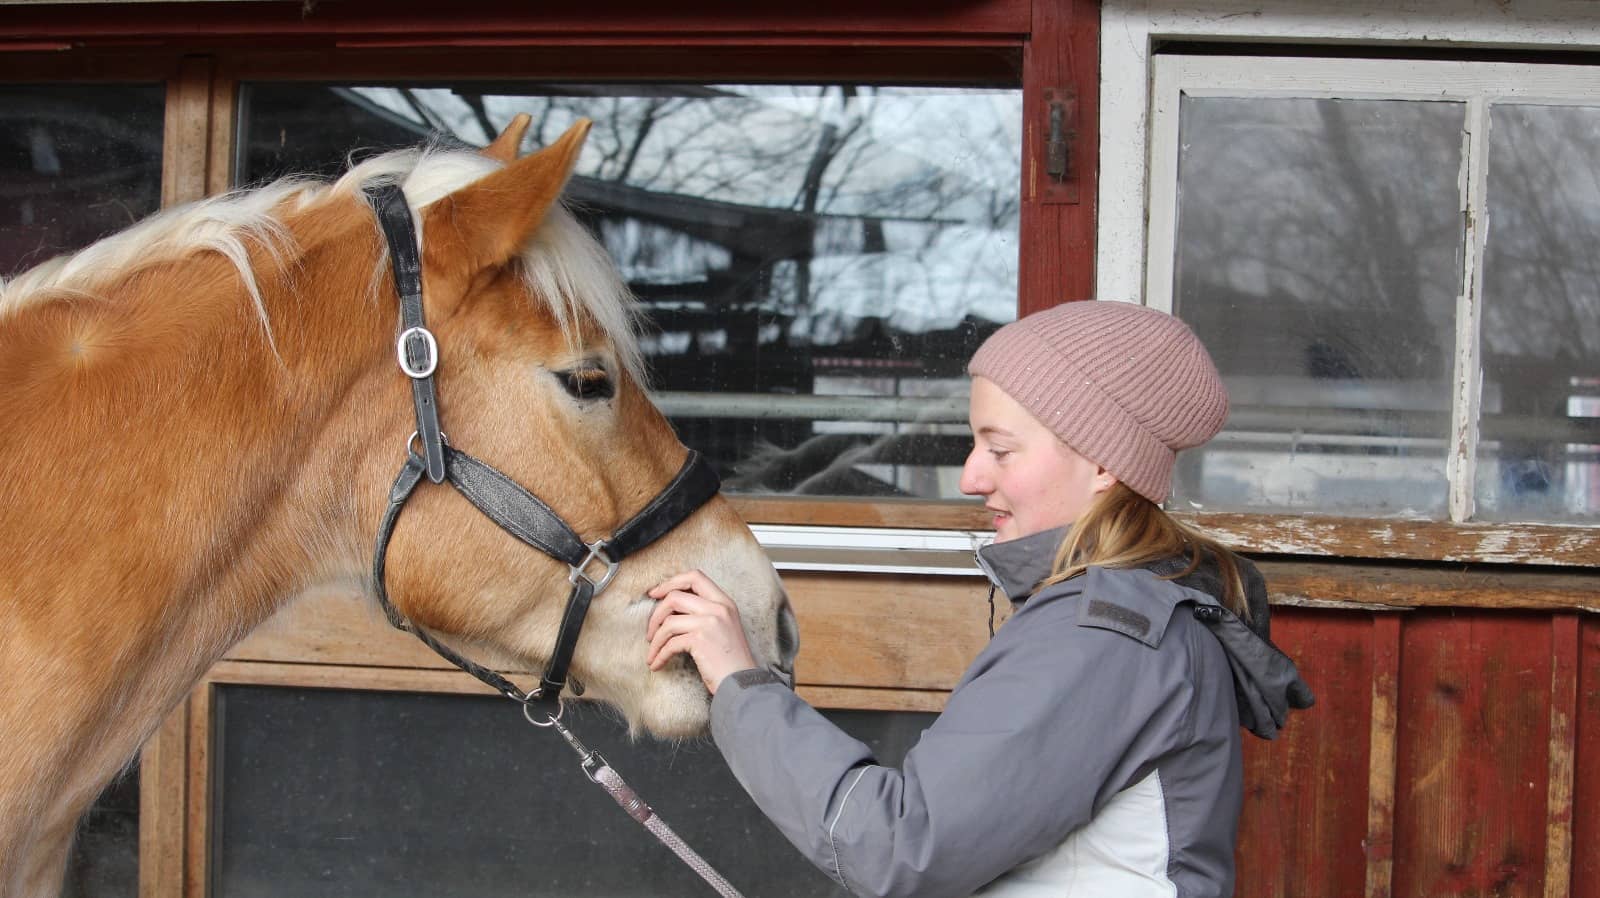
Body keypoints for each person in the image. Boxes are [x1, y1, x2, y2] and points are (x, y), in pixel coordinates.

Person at [646, 300, 1314, 898]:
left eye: (1000, 449)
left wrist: (741, 684)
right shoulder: (1130, 613)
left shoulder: (1107, 637)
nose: (969, 476)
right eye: (974, 444)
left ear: (1104, 463)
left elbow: (900, 846)